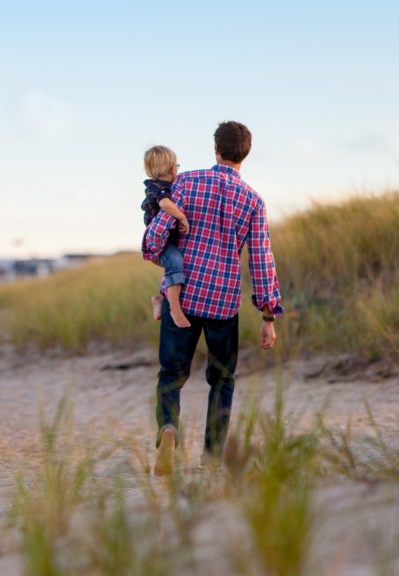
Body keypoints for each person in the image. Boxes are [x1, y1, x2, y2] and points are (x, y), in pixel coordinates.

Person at [142, 121, 283, 476]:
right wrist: (268, 316)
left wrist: (158, 253)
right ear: (245, 154)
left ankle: (169, 429)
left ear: (215, 149)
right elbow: (262, 260)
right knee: (222, 380)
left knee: (170, 375)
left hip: (184, 297)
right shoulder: (253, 200)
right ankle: (212, 457)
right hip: (223, 303)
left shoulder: (186, 182)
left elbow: (155, 235)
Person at [141, 145, 191, 328]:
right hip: (159, 240)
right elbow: (164, 204)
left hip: (167, 237)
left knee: (172, 266)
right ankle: (174, 309)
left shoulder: (166, 186)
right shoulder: (158, 188)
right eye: (177, 165)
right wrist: (181, 216)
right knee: (176, 262)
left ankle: (160, 298)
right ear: (172, 168)